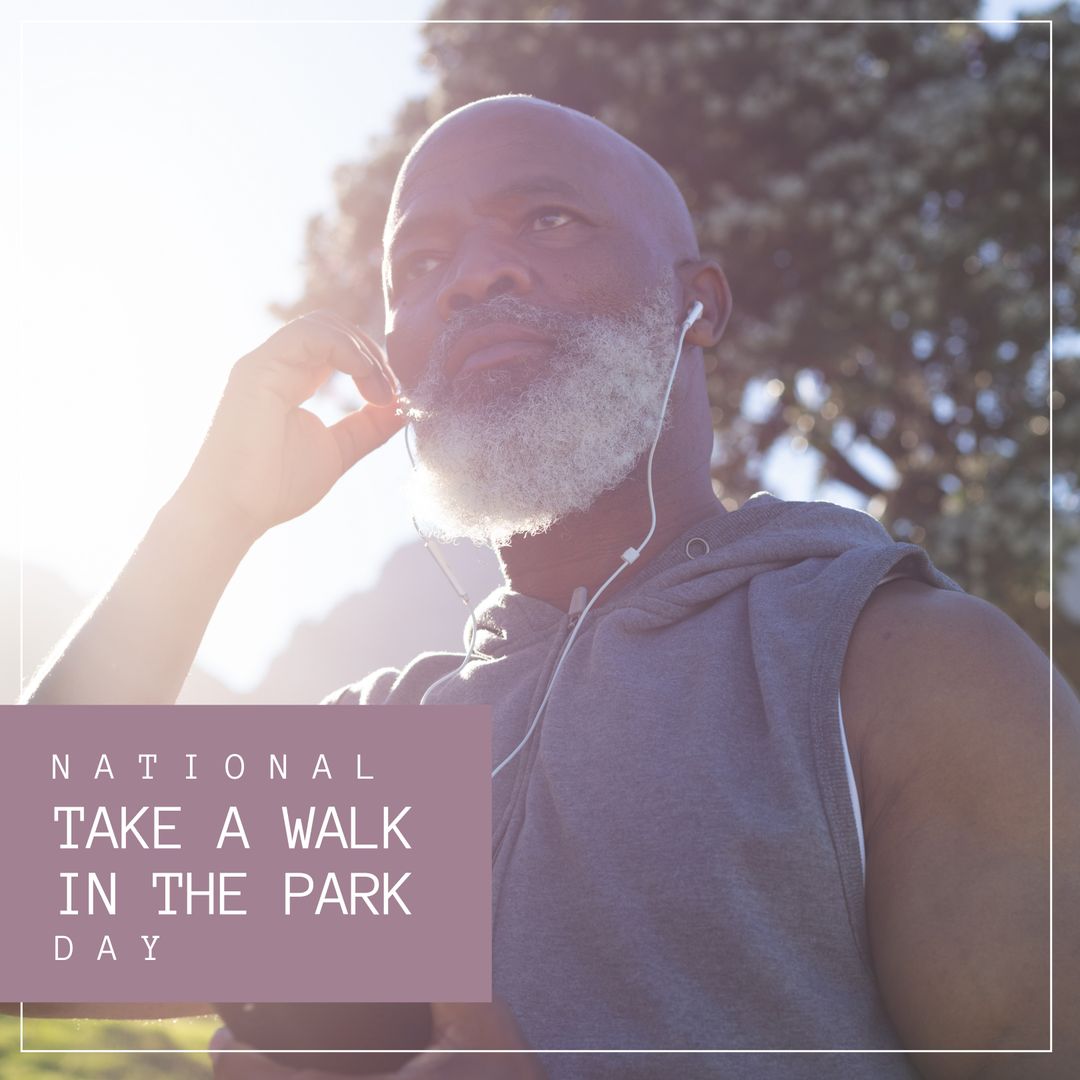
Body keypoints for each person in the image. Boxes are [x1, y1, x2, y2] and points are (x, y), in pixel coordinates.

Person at [18, 95, 1080, 1079]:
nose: (475, 276)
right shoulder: (393, 755)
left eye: (550, 221)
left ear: (695, 305)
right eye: (421, 261)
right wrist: (209, 518)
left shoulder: (892, 665)